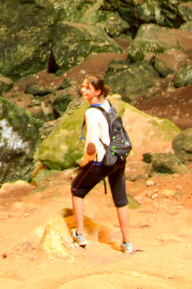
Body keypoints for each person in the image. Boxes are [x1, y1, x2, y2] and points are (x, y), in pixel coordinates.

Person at [69, 75, 133, 254]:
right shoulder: (109, 105)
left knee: (76, 190)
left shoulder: (91, 112)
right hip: (118, 158)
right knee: (121, 200)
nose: (83, 91)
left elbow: (91, 144)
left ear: (97, 92)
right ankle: (127, 243)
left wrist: (85, 162)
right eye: (82, 87)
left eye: (87, 88)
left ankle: (80, 235)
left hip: (102, 160)